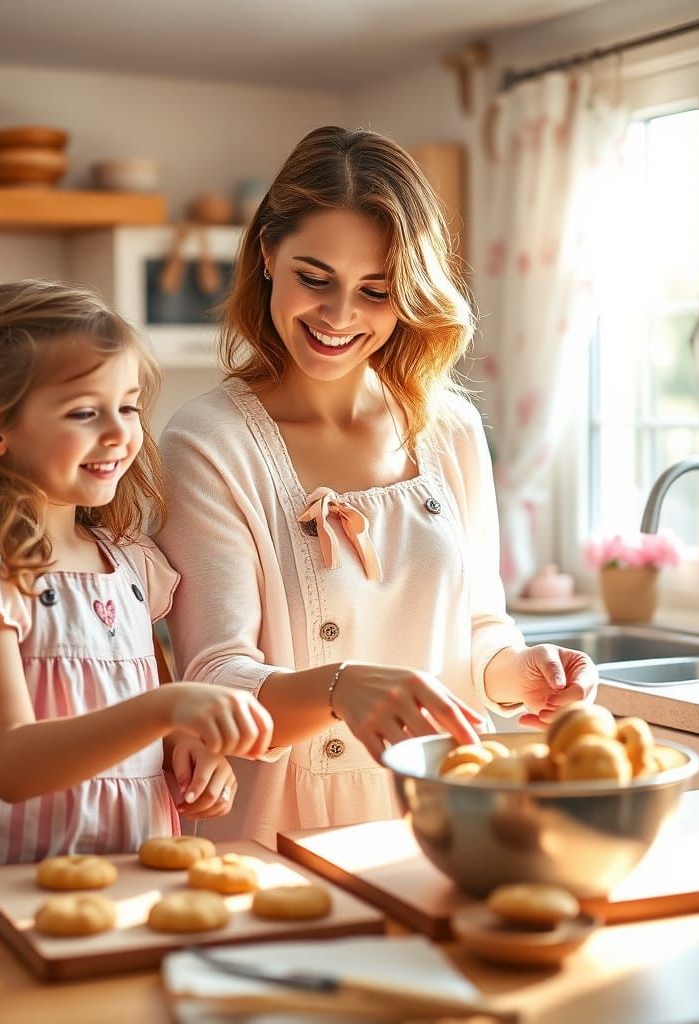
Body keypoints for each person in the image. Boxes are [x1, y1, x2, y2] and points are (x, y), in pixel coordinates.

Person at [154, 126, 599, 846]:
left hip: (444, 830)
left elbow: (478, 630)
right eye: (314, 277)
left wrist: (525, 674)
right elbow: (215, 680)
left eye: (376, 291)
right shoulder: (208, 443)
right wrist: (339, 687)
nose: (339, 317)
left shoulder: (448, 429)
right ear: (267, 254)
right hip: (274, 846)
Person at [0, 279, 272, 866]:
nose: (119, 432)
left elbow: (145, 709)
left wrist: (184, 746)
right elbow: (11, 765)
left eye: (129, 406)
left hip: (136, 861)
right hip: (12, 870)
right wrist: (168, 709)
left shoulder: (127, 561)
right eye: (85, 412)